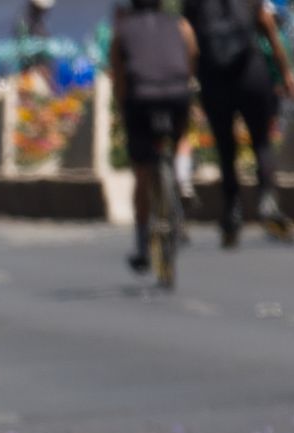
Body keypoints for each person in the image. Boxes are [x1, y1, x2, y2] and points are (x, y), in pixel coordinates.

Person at [182, 0, 294, 243]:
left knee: (226, 149)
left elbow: (190, 42)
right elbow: (268, 27)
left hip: (214, 78)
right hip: (251, 73)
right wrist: (286, 71)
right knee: (262, 142)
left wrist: (190, 79)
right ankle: (267, 200)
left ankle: (232, 213)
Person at [111, 0, 198, 273]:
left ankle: (141, 245)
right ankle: (181, 178)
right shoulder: (180, 24)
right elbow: (192, 54)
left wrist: (123, 108)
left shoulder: (123, 30)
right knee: (181, 136)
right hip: (176, 95)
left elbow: (119, 76)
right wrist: (185, 83)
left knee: (142, 172)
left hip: (141, 98)